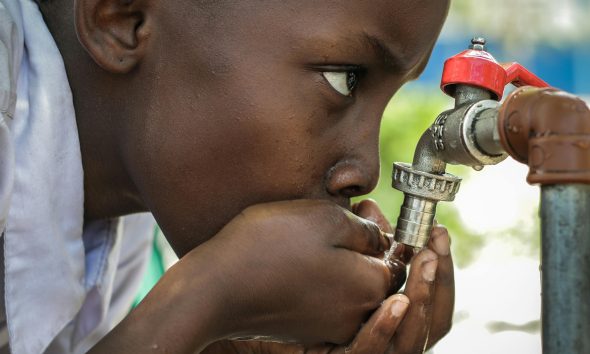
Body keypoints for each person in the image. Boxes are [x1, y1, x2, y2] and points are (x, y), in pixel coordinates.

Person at [0, 0, 454, 353]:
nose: (365, 173)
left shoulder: (119, 224)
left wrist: (211, 341)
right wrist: (204, 300)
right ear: (123, 19)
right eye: (344, 79)